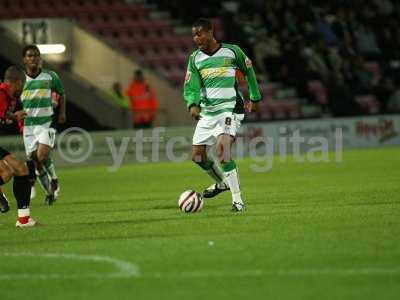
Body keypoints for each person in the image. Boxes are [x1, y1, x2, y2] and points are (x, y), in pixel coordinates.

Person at [183, 18, 261, 212]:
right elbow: (191, 86)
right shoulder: (195, 59)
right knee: (198, 157)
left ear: (211, 32)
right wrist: (192, 104)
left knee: (222, 150)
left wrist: (255, 97)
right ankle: (222, 182)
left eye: (200, 33)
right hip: (208, 112)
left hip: (230, 108)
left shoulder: (233, 51)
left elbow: (249, 72)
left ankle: (237, 200)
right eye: (194, 34)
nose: (196, 38)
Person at [21, 44, 66, 205]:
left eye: (36, 55)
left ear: (40, 58)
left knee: (41, 155)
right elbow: (12, 99)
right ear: (24, 59)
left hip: (46, 123)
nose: (33, 58)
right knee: (36, 162)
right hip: (28, 126)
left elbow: (61, 93)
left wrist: (61, 112)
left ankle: (54, 179)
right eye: (30, 56)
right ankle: (49, 192)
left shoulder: (50, 76)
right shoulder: (20, 80)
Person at [0, 65, 37, 227]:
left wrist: (13, 118)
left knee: (17, 170)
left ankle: (24, 220)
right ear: (17, 82)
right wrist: (13, 117)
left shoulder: (8, 96)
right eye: (23, 85)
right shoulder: (1, 94)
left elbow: (3, 115)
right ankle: (24, 220)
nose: (23, 89)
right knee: (12, 171)